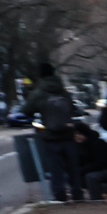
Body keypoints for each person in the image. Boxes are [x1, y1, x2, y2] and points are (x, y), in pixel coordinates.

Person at [26, 62, 84, 201]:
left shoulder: (39, 92)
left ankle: (60, 196)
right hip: (68, 135)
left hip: (50, 136)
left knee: (55, 169)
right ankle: (77, 193)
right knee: (73, 167)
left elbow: (26, 110)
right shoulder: (63, 91)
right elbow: (72, 108)